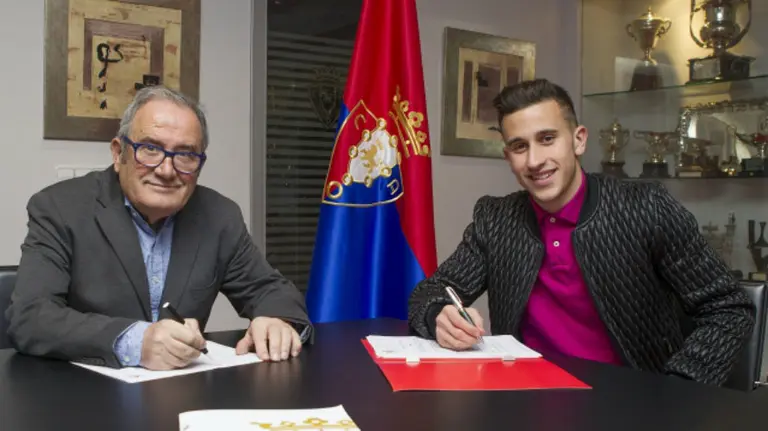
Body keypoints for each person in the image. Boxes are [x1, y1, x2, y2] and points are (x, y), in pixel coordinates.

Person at [407, 78, 755, 386]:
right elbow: (431, 292)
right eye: (519, 146)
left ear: (579, 140)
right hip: (523, 400)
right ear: (508, 155)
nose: (534, 161)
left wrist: (680, 387)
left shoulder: (645, 207)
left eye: (547, 139)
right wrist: (438, 314)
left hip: (634, 406)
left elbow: (728, 308)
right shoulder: (496, 219)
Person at [7, 86, 312, 370]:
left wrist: (275, 319)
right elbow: (31, 318)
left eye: (185, 155)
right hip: (82, 398)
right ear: (118, 153)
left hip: (184, 399)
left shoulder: (219, 216)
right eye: (150, 149)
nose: (167, 170)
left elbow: (269, 289)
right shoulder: (60, 208)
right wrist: (137, 341)